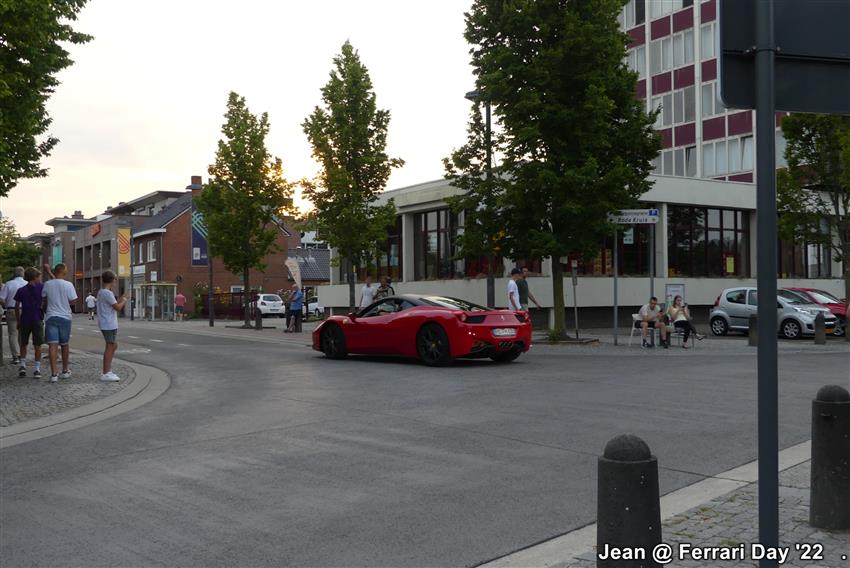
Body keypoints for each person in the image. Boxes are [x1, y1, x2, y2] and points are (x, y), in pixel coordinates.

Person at [42, 263, 78, 382]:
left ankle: (54, 374)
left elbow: (44, 297)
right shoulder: (68, 285)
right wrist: (65, 301)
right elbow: (73, 300)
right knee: (64, 344)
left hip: (51, 316)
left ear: (55, 271)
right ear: (64, 272)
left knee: (52, 345)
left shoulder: (48, 284)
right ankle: (65, 370)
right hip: (65, 317)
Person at [13, 267, 45, 378]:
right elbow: (46, 300)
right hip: (37, 318)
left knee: (23, 343)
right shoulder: (41, 288)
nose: (40, 279)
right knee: (38, 345)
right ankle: (37, 368)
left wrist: (18, 320)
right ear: (35, 277)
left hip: (25, 319)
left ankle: (22, 366)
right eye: (39, 277)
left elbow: (17, 306)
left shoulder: (21, 290)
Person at [97, 270, 127, 381]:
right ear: (112, 280)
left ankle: (107, 370)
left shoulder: (102, 292)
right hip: (109, 323)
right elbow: (118, 308)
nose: (115, 281)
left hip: (106, 322)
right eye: (115, 279)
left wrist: (120, 299)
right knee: (110, 346)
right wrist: (124, 300)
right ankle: (106, 372)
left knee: (113, 345)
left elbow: (112, 304)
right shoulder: (107, 293)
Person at [1, 267, 26, 364]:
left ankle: (16, 356)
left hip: (11, 310)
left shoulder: (8, 284)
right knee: (23, 333)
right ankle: (23, 355)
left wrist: (6, 304)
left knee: (12, 334)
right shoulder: (27, 283)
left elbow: (1, 298)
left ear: (14, 274)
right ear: (23, 274)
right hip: (24, 310)